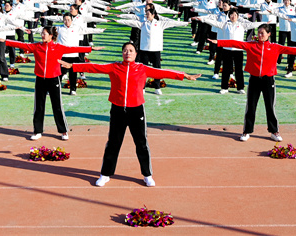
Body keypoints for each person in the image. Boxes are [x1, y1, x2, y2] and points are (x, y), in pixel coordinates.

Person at [61, 42, 200, 187]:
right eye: (125, 50)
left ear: (136, 54)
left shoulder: (142, 68)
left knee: (141, 143)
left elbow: (163, 72)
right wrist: (73, 66)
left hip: (136, 110)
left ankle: (147, 175)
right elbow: (95, 67)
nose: (128, 53)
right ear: (122, 53)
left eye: (131, 50)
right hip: (118, 109)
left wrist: (185, 76)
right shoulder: (114, 67)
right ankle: (105, 174)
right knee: (113, 143)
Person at [216, 25, 296, 142]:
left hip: (268, 80)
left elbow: (291, 49)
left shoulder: (275, 47)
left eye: (262, 33)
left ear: (269, 34)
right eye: (258, 33)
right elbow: (236, 43)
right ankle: (247, 131)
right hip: (254, 79)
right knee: (251, 106)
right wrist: (218, 42)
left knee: (270, 106)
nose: (260, 35)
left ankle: (274, 131)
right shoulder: (251, 45)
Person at [1, 27, 100, 141]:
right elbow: (23, 45)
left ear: (51, 35)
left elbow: (73, 48)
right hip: (40, 79)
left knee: (57, 106)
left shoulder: (58, 47)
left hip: (54, 79)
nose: (42, 35)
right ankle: (37, 131)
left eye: (45, 34)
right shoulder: (37, 46)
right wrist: (6, 41)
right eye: (42, 33)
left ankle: (63, 131)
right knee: (38, 106)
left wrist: (90, 48)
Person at [114, 6, 188, 95]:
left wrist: (185, 23)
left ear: (153, 15)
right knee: (143, 70)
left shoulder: (160, 24)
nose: (146, 15)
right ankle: (142, 87)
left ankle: (157, 87)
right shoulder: (143, 23)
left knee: (157, 69)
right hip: (144, 49)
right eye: (146, 14)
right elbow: (132, 22)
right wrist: (118, 21)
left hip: (155, 49)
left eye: (148, 14)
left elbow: (173, 23)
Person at [199, 8, 262, 94]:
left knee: (239, 70)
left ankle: (240, 88)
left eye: (235, 15)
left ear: (238, 16)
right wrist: (203, 19)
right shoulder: (225, 24)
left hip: (238, 50)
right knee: (226, 69)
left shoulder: (242, 25)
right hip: (227, 50)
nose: (233, 17)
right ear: (229, 16)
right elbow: (214, 23)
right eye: (231, 15)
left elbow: (253, 24)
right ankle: (224, 88)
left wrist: (264, 23)